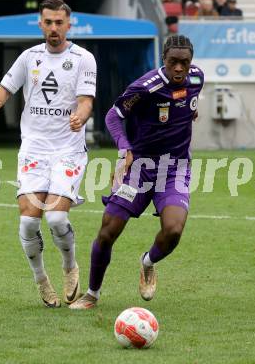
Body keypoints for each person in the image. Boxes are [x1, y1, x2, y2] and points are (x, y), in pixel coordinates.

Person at [70, 34, 204, 309]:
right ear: (163, 60)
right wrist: (124, 149)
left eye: (185, 63)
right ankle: (92, 294)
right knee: (109, 231)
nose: (179, 68)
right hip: (139, 168)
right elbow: (113, 116)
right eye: (173, 62)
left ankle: (148, 262)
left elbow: (187, 104)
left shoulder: (197, 79)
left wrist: (188, 113)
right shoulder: (146, 87)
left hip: (174, 168)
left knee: (174, 229)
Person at [0, 0, 97, 308]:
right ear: (40, 24)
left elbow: (87, 100)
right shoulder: (28, 58)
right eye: (48, 22)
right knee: (28, 224)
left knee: (58, 218)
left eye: (59, 23)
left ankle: (70, 266)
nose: (54, 28)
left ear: (69, 24)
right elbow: (5, 88)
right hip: (34, 149)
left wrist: (82, 115)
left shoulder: (83, 58)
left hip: (68, 150)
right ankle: (41, 280)